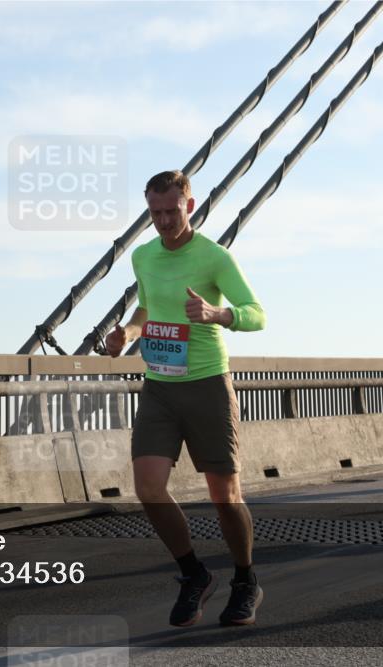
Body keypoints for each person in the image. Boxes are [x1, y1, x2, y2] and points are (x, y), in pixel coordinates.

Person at [105, 170, 267, 627]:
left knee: (224, 495)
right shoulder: (142, 256)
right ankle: (194, 574)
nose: (162, 221)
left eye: (171, 212)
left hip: (207, 384)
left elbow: (258, 314)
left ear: (189, 206)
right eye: (154, 213)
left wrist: (218, 313)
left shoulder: (214, 257)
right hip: (159, 385)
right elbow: (147, 307)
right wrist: (128, 334)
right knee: (149, 487)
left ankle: (245, 579)